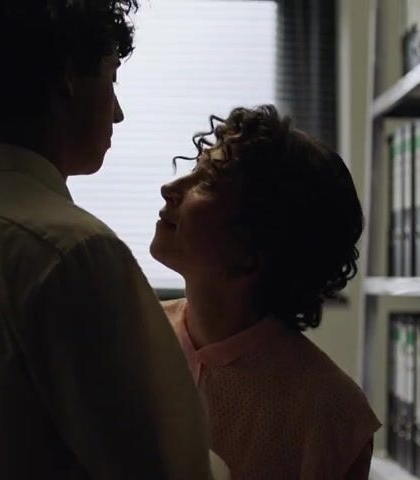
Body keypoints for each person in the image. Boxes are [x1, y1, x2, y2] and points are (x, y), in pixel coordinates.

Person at [0, 1, 211, 478]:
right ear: (68, 76)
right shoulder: (72, 251)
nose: (118, 113)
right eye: (112, 79)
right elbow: (164, 468)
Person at [151, 105, 381, 479]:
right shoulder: (123, 336)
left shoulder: (334, 418)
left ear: (256, 247)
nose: (170, 189)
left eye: (207, 182)